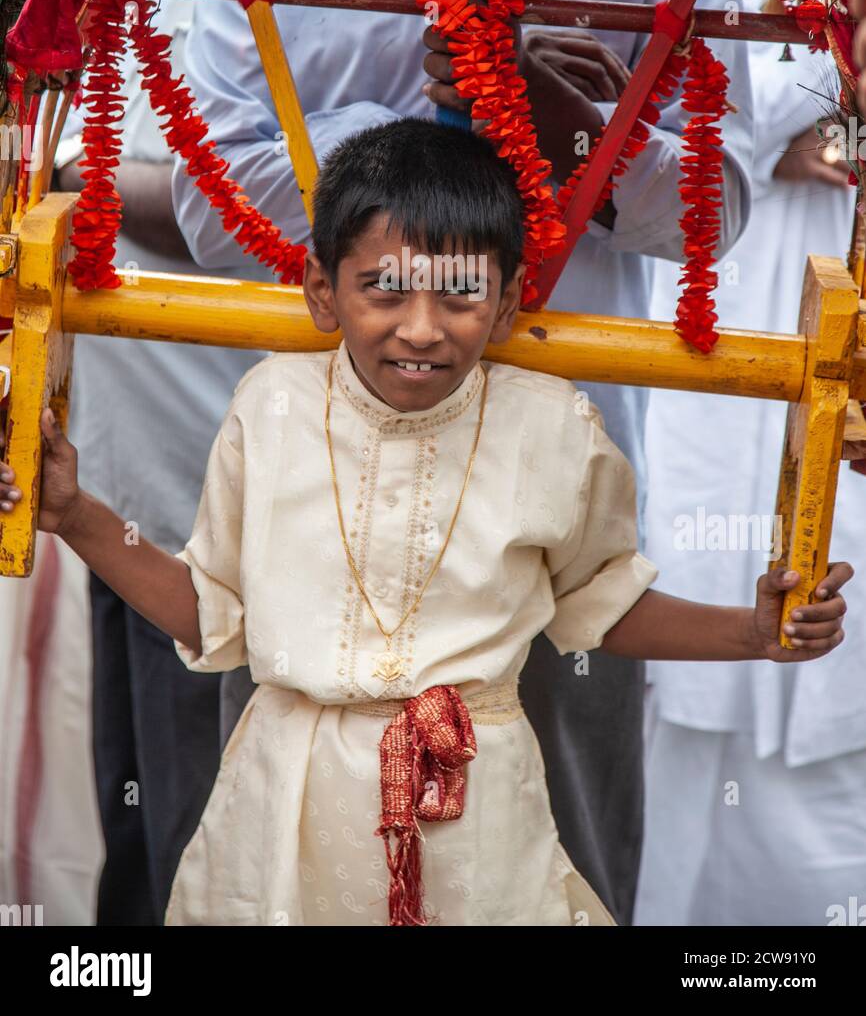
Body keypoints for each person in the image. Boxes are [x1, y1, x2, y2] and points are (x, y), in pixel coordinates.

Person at [170, 0, 755, 924]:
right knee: (279, 855)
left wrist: (573, 139)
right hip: (315, 488)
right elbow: (213, 211)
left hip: (553, 501)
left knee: (565, 853)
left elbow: (719, 215)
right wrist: (400, 146)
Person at [2, 119, 850, 928]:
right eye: (383, 290)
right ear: (321, 291)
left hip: (476, 813)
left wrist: (754, 632)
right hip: (283, 808)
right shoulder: (271, 406)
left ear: (510, 299)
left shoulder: (558, 430)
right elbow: (212, 611)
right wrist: (74, 515)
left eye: (459, 298)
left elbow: (602, 606)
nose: (420, 329)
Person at [635, 0, 865, 927]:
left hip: (831, 288)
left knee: (836, 662)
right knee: (700, 662)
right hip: (716, 297)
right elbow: (680, 109)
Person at [51, 0, 269, 927]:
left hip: (216, 464)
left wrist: (62, 189)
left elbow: (261, 216)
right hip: (111, 448)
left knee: (202, 850)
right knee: (130, 856)